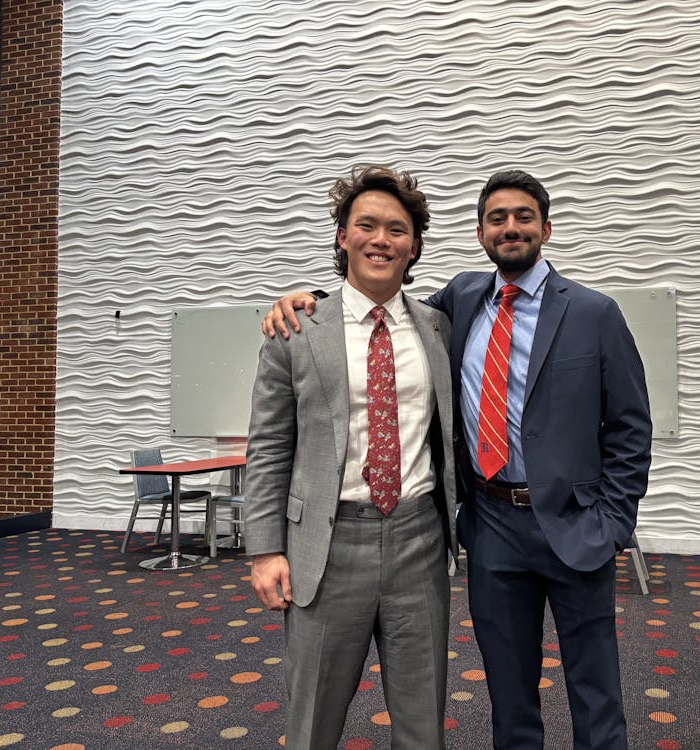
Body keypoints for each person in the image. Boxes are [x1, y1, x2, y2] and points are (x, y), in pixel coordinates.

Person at [263, 170, 652, 750]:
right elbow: (369, 297)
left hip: (575, 527)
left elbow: (630, 428)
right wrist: (308, 297)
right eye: (498, 218)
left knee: (595, 691)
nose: (511, 228)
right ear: (479, 232)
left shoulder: (594, 313)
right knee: (508, 691)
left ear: (546, 227)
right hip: (491, 529)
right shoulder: (459, 304)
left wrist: (614, 523)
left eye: (524, 216)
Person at [244, 165, 458, 750]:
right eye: (366, 225)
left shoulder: (438, 326)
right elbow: (266, 448)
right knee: (312, 721)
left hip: (419, 541)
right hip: (327, 547)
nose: (380, 239)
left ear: (414, 245)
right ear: (343, 236)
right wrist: (264, 550)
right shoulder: (296, 329)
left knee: (422, 725)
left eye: (397, 229)